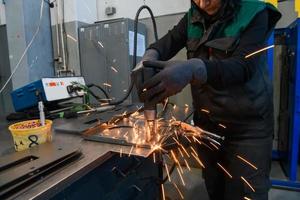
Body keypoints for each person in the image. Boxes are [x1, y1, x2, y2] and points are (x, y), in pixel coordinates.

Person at [132, 0, 282, 199]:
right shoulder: (193, 16)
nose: (202, 2)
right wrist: (148, 57)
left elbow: (242, 68)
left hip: (248, 129)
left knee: (246, 193)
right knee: (215, 189)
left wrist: (194, 69)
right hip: (208, 128)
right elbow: (167, 42)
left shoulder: (254, 12)